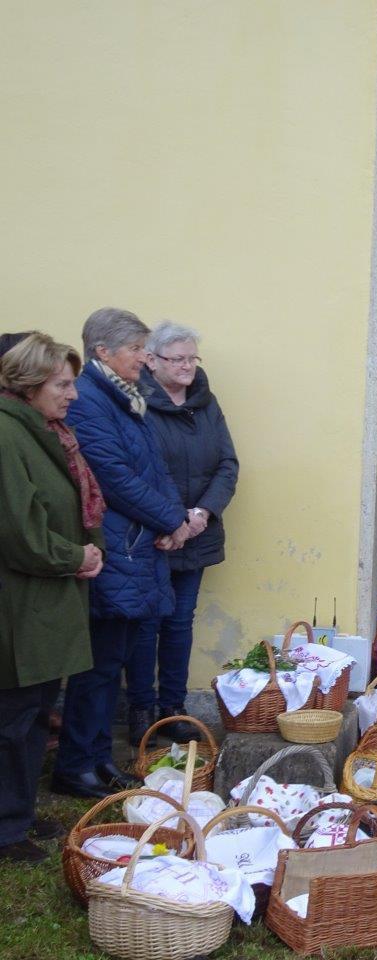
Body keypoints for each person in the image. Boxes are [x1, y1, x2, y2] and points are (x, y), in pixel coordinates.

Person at [53, 308, 189, 799]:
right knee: (98, 665)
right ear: (103, 351)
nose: (143, 358)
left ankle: (98, 759)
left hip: (136, 546)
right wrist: (169, 519)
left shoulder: (127, 396)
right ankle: (76, 765)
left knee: (114, 662)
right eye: (136, 349)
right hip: (117, 547)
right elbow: (113, 476)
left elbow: (155, 468)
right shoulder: (89, 399)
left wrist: (175, 520)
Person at [0, 334, 104, 860]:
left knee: (35, 712)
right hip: (20, 604)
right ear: (30, 384)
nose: (73, 395)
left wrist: (85, 551)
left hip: (46, 598)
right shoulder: (6, 435)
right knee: (13, 719)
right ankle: (4, 828)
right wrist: (75, 555)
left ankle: (16, 814)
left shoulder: (44, 432)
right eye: (62, 384)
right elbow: (19, 533)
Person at [125, 322, 238, 745]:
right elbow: (136, 472)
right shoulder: (135, 402)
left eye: (192, 358)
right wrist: (172, 520)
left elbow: (227, 464)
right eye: (178, 358)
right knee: (145, 624)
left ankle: (172, 710)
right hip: (151, 533)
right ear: (152, 361)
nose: (187, 366)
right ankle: (141, 711)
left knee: (179, 621)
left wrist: (202, 514)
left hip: (197, 531)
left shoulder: (205, 402)